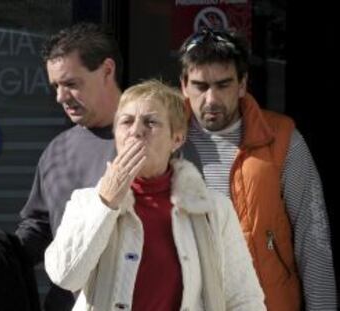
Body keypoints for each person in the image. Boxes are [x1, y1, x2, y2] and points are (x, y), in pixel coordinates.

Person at [44, 79, 266, 311]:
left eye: (150, 122)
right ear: (116, 135)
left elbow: (244, 299)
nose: (136, 131)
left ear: (177, 138)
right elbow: (65, 276)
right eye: (126, 121)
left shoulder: (214, 209)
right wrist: (105, 203)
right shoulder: (86, 201)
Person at [179, 27, 338, 311]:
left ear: (242, 84)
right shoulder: (165, 141)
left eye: (223, 85)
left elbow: (313, 239)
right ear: (184, 85)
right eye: (201, 86)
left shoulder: (281, 138)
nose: (211, 99)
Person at [15, 22, 122, 310]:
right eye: (56, 86)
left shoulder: (153, 140)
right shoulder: (57, 150)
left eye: (71, 84)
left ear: (107, 71)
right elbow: (41, 227)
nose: (60, 97)